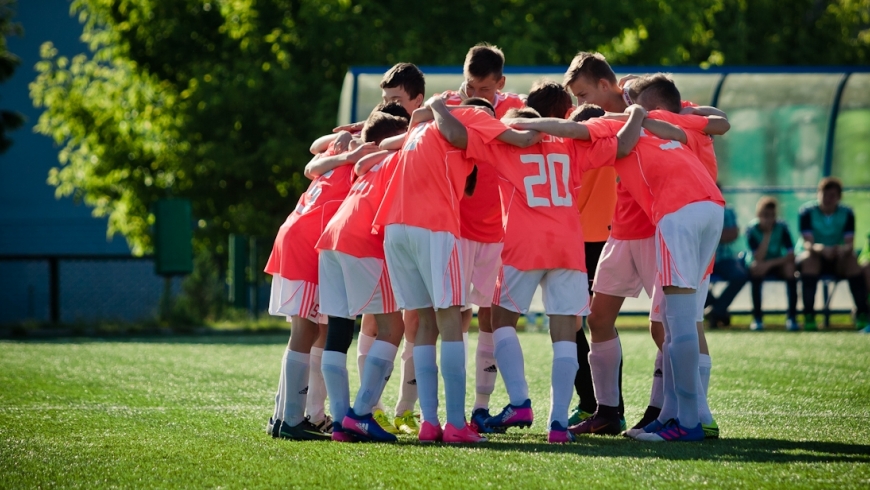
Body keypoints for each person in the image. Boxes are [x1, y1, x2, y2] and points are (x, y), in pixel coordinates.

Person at [510, 101, 725, 443]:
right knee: (674, 322)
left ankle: (691, 421)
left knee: (677, 323)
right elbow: (715, 124)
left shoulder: (610, 127)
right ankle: (673, 416)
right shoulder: (652, 123)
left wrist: (522, 122)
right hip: (712, 206)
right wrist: (638, 114)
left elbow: (574, 129)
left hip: (676, 212)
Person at [458, 99, 642, 443]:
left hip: (523, 244)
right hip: (568, 244)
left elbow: (459, 133)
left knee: (500, 322)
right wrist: (636, 115)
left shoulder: (503, 144)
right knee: (565, 333)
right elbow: (623, 144)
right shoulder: (567, 144)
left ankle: (519, 401)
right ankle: (558, 424)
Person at [373, 97, 537, 443]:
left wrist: (429, 110)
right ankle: (455, 424)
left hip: (394, 226)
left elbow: (391, 142)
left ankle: (429, 422)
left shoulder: (423, 128)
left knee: (423, 323)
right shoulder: (470, 117)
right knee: (450, 319)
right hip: (433, 226)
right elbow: (519, 139)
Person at [264, 126, 382, 441]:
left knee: (311, 331)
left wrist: (345, 143)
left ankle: (283, 415)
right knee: (305, 331)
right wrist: (355, 151)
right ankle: (291, 419)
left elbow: (312, 159)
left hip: (296, 233)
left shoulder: (341, 147)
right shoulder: (365, 155)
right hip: (306, 240)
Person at [439, 44, 525, 433]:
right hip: (456, 228)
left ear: (501, 84)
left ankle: (480, 408)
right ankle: (440, 410)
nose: (477, 97)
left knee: (490, 317)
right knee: (451, 315)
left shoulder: (516, 110)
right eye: (471, 87)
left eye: (485, 91)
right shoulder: (451, 107)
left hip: (499, 231)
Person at [315, 112, 410, 443]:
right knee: (393, 327)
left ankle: (342, 420)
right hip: (362, 242)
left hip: (330, 239)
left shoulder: (368, 163)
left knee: (339, 330)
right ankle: (361, 414)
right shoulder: (399, 157)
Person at [797, 177, 869, 331]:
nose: (828, 199)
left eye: (832, 195)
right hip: (815, 256)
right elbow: (807, 243)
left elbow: (849, 243)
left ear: (839, 197)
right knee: (809, 260)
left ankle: (861, 313)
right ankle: (809, 316)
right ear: (818, 194)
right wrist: (821, 249)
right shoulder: (806, 212)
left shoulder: (847, 212)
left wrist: (842, 250)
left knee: (852, 260)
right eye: (825, 194)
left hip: (838, 259)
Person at [745, 196, 798, 331]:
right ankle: (757, 319)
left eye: (772, 215)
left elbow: (791, 255)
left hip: (776, 262)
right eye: (765, 215)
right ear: (758, 215)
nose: (769, 219)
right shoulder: (751, 229)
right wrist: (767, 235)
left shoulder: (782, 227)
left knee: (790, 269)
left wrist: (770, 264)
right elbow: (759, 257)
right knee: (756, 269)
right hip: (760, 264)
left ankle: (792, 318)